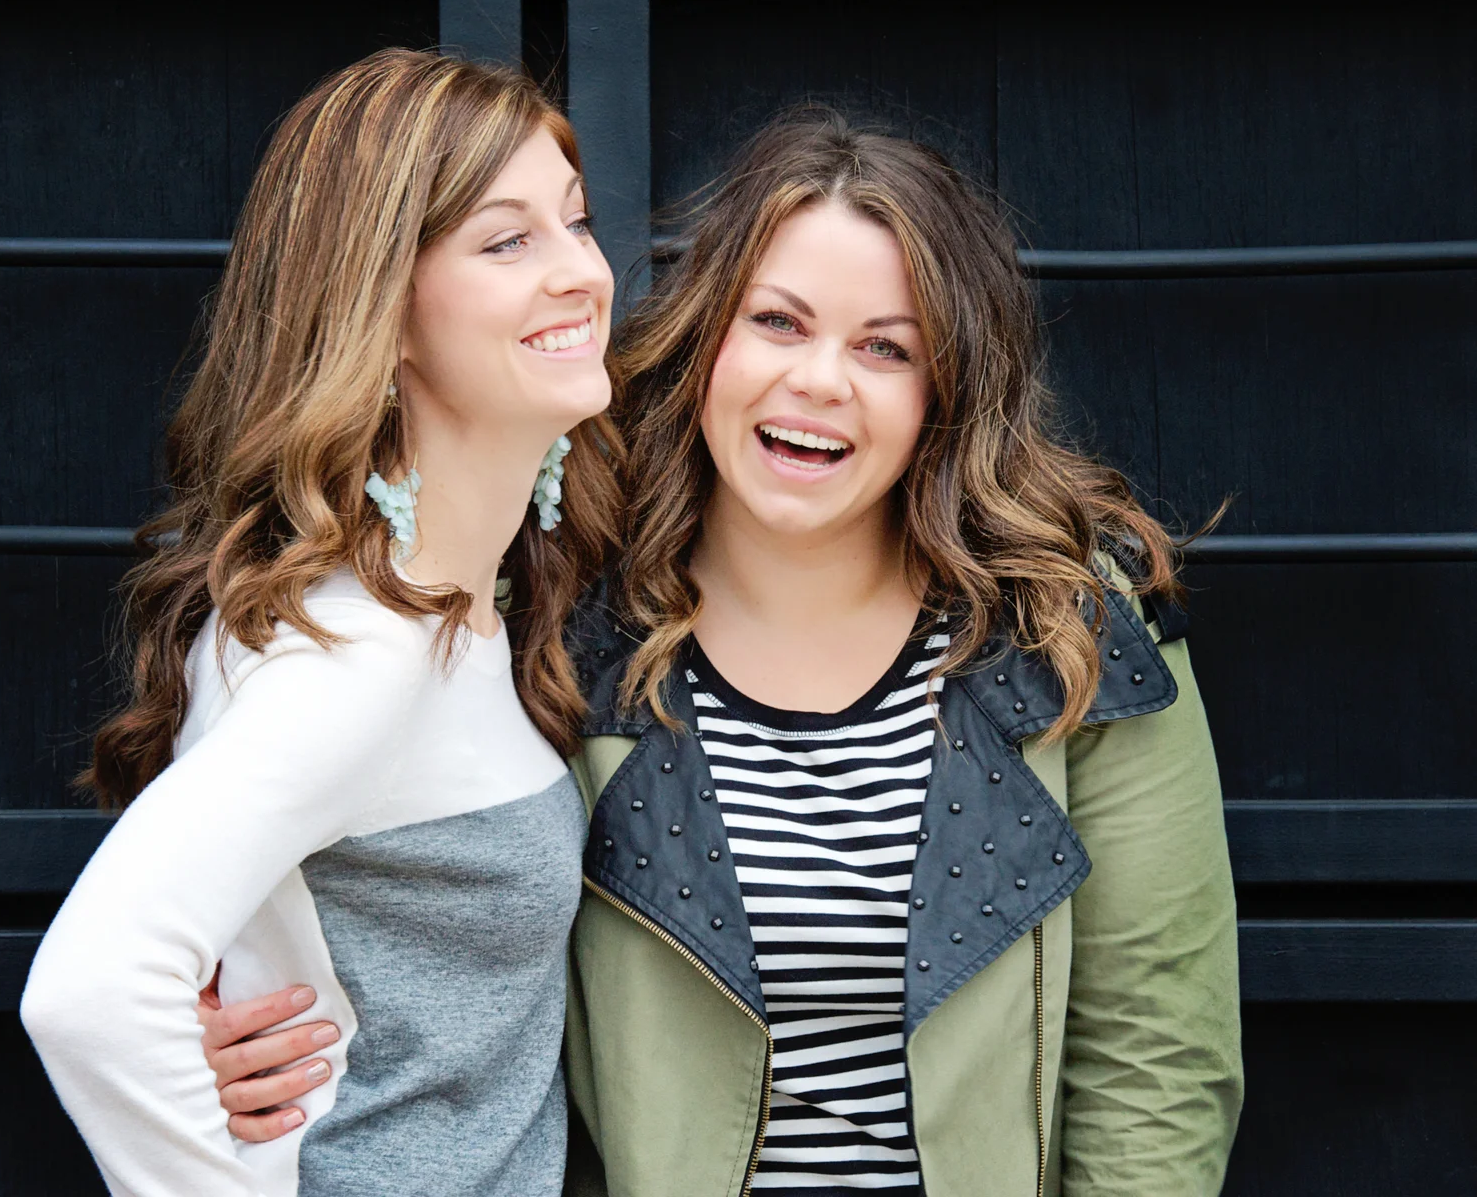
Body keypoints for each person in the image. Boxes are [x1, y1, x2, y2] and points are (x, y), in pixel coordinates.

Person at [199, 111, 1244, 1195]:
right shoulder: (557, 617)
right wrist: (227, 1020)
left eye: (886, 347)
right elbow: (408, 921)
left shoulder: (1067, 631)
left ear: (947, 391)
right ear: (710, 337)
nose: (821, 380)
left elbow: (1157, 1063)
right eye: (779, 322)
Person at [20, 48, 620, 1197]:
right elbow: (91, 994)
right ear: (380, 311)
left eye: (576, 220)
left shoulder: (462, 606)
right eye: (508, 241)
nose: (580, 272)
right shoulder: (358, 652)